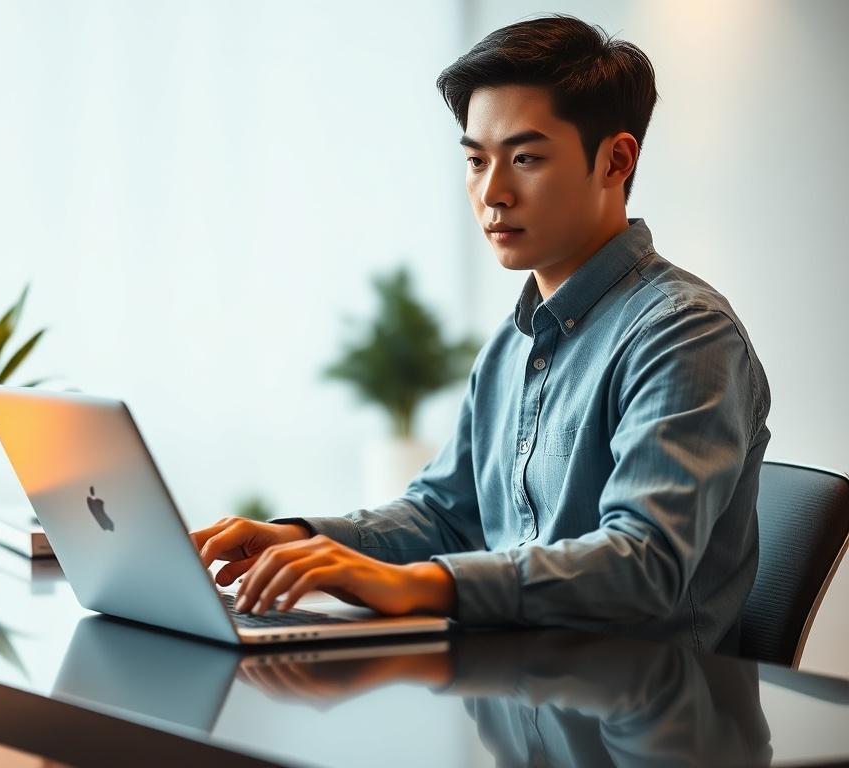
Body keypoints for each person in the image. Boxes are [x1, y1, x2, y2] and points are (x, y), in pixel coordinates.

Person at [190, 14, 770, 654]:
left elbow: (642, 564)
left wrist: (423, 584)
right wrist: (305, 536)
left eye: (525, 158)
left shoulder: (683, 335)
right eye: (475, 160)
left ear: (616, 159)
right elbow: (442, 513)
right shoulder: (512, 344)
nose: (493, 193)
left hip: (645, 721)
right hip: (516, 702)